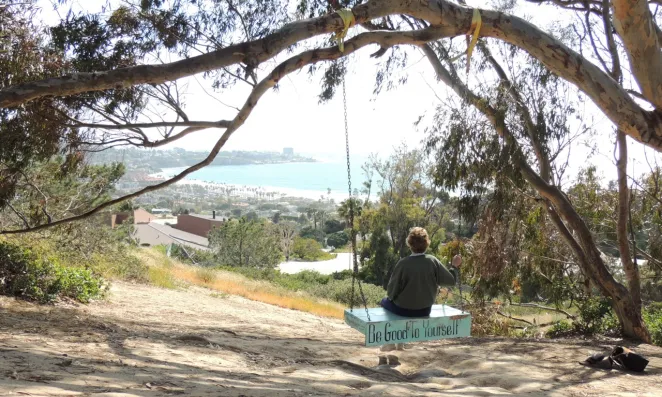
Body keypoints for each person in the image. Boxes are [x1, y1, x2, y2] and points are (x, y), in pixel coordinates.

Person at [379, 227, 461, 352]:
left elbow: (391, 292)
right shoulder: (432, 261)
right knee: (393, 303)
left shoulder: (403, 263)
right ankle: (401, 342)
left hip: (403, 310)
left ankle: (390, 341)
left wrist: (394, 297)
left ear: (409, 244)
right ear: (427, 243)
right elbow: (450, 281)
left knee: (385, 302)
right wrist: (454, 266)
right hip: (424, 310)